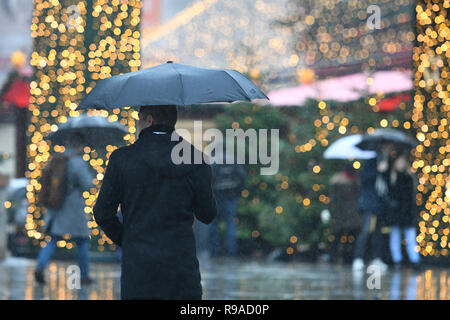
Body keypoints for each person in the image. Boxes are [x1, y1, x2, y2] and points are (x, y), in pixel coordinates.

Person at [93, 105, 217, 300]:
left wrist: (127, 239)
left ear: (148, 120)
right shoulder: (196, 159)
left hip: (139, 266)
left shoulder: (122, 158)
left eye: (138, 119)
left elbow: (102, 212)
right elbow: (207, 214)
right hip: (180, 265)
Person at [35, 133, 94, 284]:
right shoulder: (77, 162)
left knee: (53, 239)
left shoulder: (55, 160)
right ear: (80, 145)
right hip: (73, 207)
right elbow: (88, 184)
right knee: (82, 240)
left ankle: (40, 266)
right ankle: (84, 275)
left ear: (67, 142)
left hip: (56, 205)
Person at [352, 142, 392, 272]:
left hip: (380, 204)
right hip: (369, 203)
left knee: (378, 232)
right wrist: (378, 170)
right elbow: (364, 179)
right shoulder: (372, 161)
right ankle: (358, 258)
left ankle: (376, 258)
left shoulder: (388, 161)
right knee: (365, 230)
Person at [386, 151, 421, 270]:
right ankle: (397, 260)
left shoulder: (409, 178)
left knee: (410, 238)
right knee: (395, 237)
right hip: (395, 212)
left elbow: (411, 197)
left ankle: (414, 260)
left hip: (407, 212)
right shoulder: (391, 177)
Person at [209, 148, 246, 257]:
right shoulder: (233, 160)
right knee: (231, 226)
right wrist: (238, 191)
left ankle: (214, 253)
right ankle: (231, 253)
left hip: (215, 198)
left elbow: (207, 178)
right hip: (230, 197)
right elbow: (242, 176)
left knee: (213, 226)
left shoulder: (213, 161)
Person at [328, 164, 361, 263]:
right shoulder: (339, 182)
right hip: (344, 213)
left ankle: (346, 257)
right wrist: (327, 209)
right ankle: (336, 257)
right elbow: (333, 196)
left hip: (351, 213)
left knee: (348, 237)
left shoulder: (356, 181)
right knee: (339, 236)